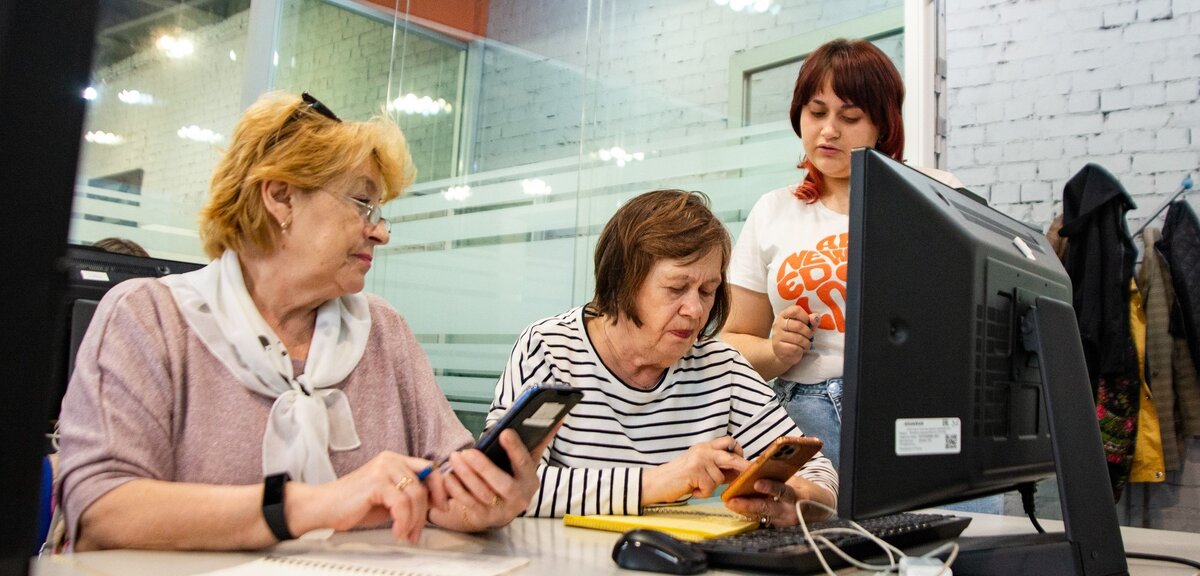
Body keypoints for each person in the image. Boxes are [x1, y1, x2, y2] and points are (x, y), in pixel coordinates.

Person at [55, 92, 547, 552]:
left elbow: (445, 483)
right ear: (280, 197)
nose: (380, 232)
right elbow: (100, 507)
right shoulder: (149, 317)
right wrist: (310, 505)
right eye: (362, 203)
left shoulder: (384, 330)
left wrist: (486, 501)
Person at [487, 189, 837, 528]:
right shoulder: (551, 349)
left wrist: (803, 501)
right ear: (621, 283)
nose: (695, 310)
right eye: (676, 288)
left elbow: (817, 472)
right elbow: (496, 485)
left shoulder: (720, 365)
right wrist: (657, 482)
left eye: (707, 291)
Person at [721, 39, 910, 470]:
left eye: (850, 117)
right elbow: (731, 344)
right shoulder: (773, 210)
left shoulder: (927, 197)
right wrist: (776, 351)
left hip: (908, 406)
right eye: (817, 112)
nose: (829, 130)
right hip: (805, 415)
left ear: (883, 124)